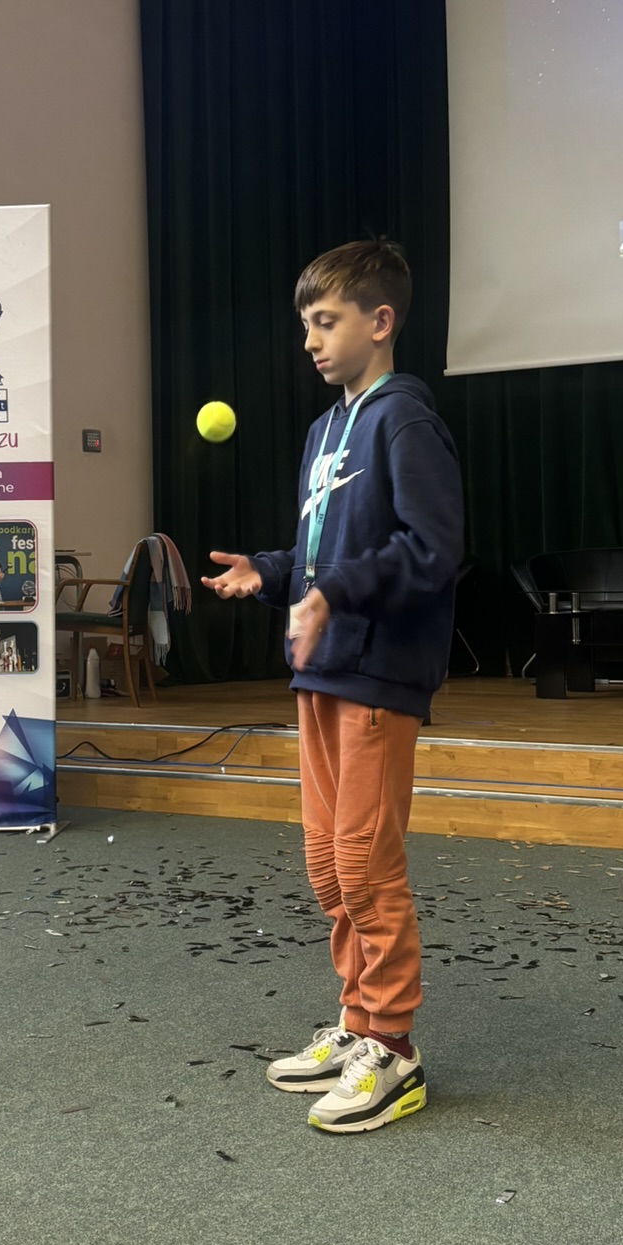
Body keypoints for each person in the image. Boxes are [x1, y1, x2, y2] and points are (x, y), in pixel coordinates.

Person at [204, 239, 463, 1136]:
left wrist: (330, 594)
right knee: (327, 864)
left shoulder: (405, 420)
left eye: (326, 322)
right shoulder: (326, 431)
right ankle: (357, 1021)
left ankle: (394, 1047)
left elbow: (432, 550)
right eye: (306, 325)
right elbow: (327, 551)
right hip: (319, 668)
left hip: (380, 671)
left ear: (380, 322)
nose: (311, 341)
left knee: (363, 864)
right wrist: (272, 573)